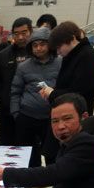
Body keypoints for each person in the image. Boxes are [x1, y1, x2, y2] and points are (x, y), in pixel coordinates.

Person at [10, 27, 61, 167]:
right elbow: (15, 91)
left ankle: (53, 177)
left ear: (50, 45)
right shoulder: (23, 66)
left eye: (42, 44)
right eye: (35, 45)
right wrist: (16, 113)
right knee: (29, 155)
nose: (39, 48)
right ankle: (32, 178)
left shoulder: (61, 63)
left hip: (51, 117)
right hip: (27, 116)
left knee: (52, 154)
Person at [41, 21, 94, 116]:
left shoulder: (87, 56)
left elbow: (79, 92)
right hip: (68, 112)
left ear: (72, 39)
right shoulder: (73, 55)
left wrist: (53, 93)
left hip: (77, 115)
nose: (58, 52)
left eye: (59, 47)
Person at [0, 17, 32, 146]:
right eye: (16, 34)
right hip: (7, 109)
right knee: (5, 143)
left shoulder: (37, 54)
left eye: (24, 33)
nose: (20, 37)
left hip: (30, 110)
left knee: (28, 145)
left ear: (31, 32)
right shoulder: (3, 55)